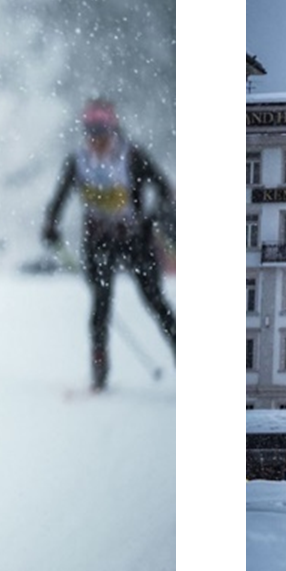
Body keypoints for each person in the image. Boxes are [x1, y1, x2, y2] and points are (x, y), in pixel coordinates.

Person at [41, 99, 178, 392]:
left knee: (155, 302)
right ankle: (99, 371)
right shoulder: (78, 161)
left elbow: (165, 189)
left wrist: (158, 218)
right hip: (99, 241)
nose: (96, 137)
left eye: (101, 130)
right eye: (90, 130)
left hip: (135, 239)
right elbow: (60, 197)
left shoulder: (132, 156)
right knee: (101, 306)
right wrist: (50, 225)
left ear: (112, 129)